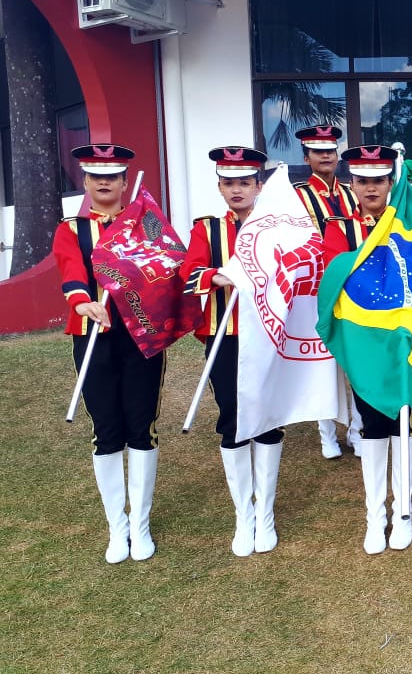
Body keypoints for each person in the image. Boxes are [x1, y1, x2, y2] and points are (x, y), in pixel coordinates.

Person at [52, 144, 164, 563]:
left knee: (142, 428)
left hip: (140, 336)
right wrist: (83, 300)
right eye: (96, 175)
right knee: (106, 431)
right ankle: (118, 528)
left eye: (112, 176)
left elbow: (165, 264)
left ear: (123, 181)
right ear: (85, 181)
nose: (104, 182)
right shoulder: (71, 229)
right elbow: (70, 271)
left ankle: (141, 525)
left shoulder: (144, 224)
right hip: (93, 333)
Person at [181, 146, 285, 557]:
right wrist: (216, 276)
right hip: (223, 336)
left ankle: (267, 514)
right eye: (230, 183)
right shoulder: (206, 229)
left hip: (268, 334)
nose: (237, 189)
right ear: (220, 187)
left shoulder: (276, 227)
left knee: (268, 417)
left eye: (245, 182)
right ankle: (244, 515)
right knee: (232, 418)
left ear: (259, 186)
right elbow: (188, 276)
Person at [322, 144, 412, 553]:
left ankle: (403, 511)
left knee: (406, 418)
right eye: (363, 180)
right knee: (372, 422)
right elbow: (334, 279)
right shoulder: (338, 226)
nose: (371, 187)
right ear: (353, 184)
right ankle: (375, 513)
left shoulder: (408, 223)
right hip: (362, 341)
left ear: (390, 182)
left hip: (405, 338)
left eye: (379, 180)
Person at [293, 123, 359, 459]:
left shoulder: (352, 193)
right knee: (321, 362)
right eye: (318, 152)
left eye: (331, 151)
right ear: (306, 157)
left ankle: (358, 430)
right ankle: (327, 434)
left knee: (354, 359)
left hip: (351, 287)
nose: (326, 157)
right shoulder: (297, 195)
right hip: (313, 290)